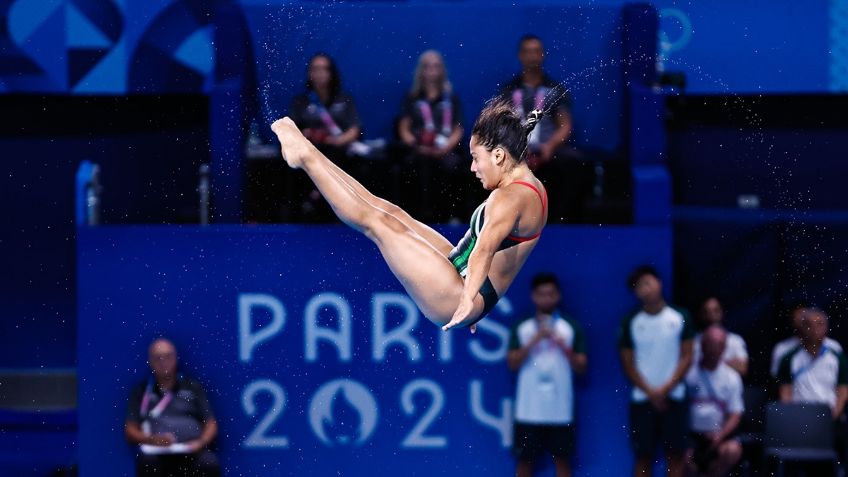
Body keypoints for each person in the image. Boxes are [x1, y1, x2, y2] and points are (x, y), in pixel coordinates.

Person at [270, 99, 548, 331]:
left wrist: (467, 301)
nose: (473, 168)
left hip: (456, 293)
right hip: (462, 274)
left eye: (476, 158)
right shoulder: (530, 186)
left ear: (499, 155)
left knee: (376, 224)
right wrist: (476, 297)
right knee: (390, 212)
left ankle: (304, 156)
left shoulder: (509, 197)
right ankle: (310, 151)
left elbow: (485, 250)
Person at [500, 34, 587, 223]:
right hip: (517, 150)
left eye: (536, 52)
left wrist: (551, 145)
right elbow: (501, 125)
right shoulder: (508, 90)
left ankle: (563, 220)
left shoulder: (555, 89)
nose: (532, 56)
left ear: (543, 55)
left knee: (575, 163)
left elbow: (565, 125)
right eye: (527, 52)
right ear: (520, 55)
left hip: (548, 148)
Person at [507, 273, 587, 477]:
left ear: (558, 296)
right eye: (541, 294)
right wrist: (534, 340)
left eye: (550, 294)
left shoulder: (570, 327)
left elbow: (581, 367)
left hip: (559, 408)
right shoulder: (522, 327)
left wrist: (562, 344)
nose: (546, 298)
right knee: (524, 462)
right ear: (533, 296)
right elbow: (512, 364)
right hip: (528, 409)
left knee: (562, 461)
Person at [618, 265, 694, 477]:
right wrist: (652, 392)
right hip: (643, 399)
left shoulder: (680, 316)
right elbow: (628, 363)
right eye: (639, 286)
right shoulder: (630, 321)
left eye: (648, 283)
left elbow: (687, 356)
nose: (645, 289)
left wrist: (666, 388)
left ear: (659, 283)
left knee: (676, 456)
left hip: (674, 397)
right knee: (643, 456)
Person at [125, 338, 220, 477]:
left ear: (176, 358)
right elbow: (130, 430)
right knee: (146, 462)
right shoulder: (141, 391)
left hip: (191, 452)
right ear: (150, 362)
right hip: (157, 453)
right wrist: (152, 440)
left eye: (168, 356)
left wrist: (200, 442)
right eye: (158, 358)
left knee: (209, 463)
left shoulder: (193, 387)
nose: (163, 362)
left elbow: (211, 424)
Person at [289, 53, 364, 221]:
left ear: (331, 73)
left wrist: (337, 140)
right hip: (310, 152)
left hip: (337, 151)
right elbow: (292, 130)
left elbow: (355, 129)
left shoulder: (344, 99)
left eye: (324, 69)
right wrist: (308, 136)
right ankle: (311, 201)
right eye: (315, 69)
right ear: (309, 73)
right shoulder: (301, 101)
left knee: (334, 155)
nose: (320, 73)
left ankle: (323, 199)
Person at [396, 50, 466, 222]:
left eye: (436, 66)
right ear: (421, 70)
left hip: (446, 149)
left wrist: (445, 147)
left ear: (442, 70)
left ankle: (449, 216)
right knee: (417, 166)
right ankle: (420, 217)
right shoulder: (412, 97)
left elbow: (458, 128)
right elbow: (404, 127)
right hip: (420, 149)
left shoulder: (451, 97)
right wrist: (416, 144)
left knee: (454, 167)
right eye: (427, 66)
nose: (432, 71)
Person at [685, 326, 744, 477]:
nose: (713, 349)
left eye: (718, 344)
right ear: (702, 345)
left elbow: (735, 413)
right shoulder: (687, 374)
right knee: (678, 451)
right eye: (710, 343)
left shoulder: (732, 377)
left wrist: (720, 435)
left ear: (724, 348)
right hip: (690, 436)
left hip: (719, 436)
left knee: (732, 450)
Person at [770, 303, 843, 377]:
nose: (814, 328)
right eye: (800, 319)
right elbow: (777, 378)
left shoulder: (833, 346)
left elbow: (842, 379)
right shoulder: (783, 347)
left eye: (819, 323)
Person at [691, 297, 749, 377]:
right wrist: (728, 363)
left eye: (716, 311)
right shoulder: (694, 341)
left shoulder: (735, 340)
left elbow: (742, 368)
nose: (711, 315)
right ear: (701, 315)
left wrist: (712, 362)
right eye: (706, 312)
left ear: (722, 312)